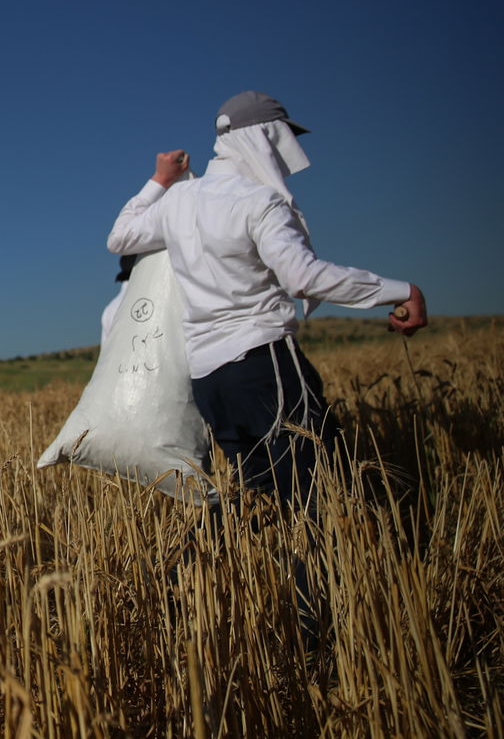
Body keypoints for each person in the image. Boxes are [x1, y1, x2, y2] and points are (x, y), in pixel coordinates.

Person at [106, 91, 427, 640]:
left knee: (259, 492)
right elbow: (304, 277)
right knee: (317, 497)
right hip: (265, 363)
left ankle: (180, 584)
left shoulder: (181, 201)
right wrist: (401, 289)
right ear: (267, 139)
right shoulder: (258, 202)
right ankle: (319, 631)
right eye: (287, 140)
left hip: (210, 380)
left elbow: (121, 236)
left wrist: (158, 179)